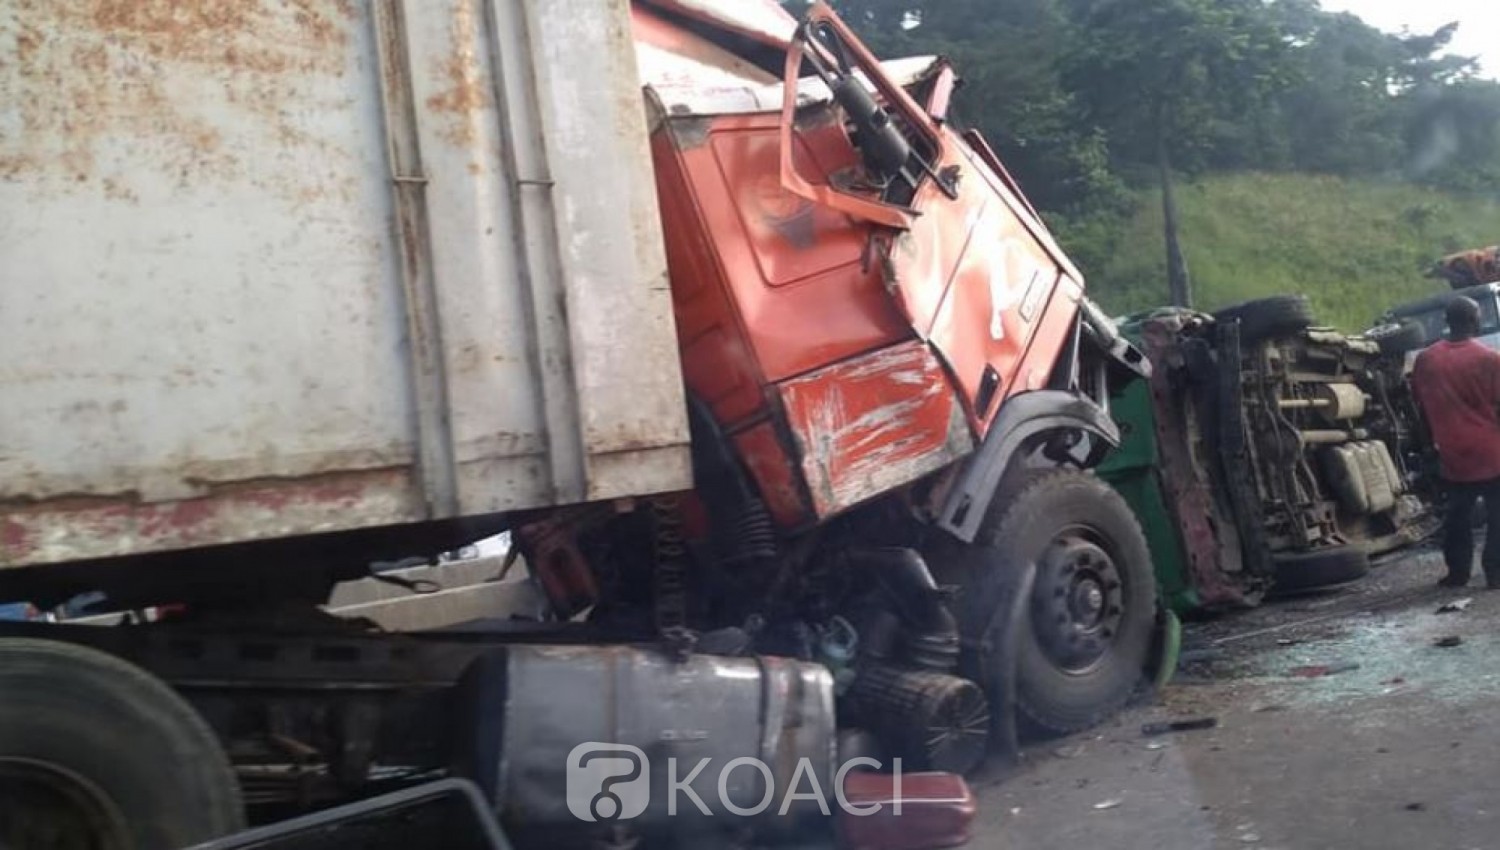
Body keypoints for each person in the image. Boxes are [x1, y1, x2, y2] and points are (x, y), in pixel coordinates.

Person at [1412, 296, 1500, 588]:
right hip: (1492, 451)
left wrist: (1428, 446)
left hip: (1452, 454)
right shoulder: (1490, 359)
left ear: (1446, 322)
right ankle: (1495, 573)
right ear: (1475, 321)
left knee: (1457, 517)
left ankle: (1457, 573)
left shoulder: (1426, 360)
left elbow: (1420, 408)